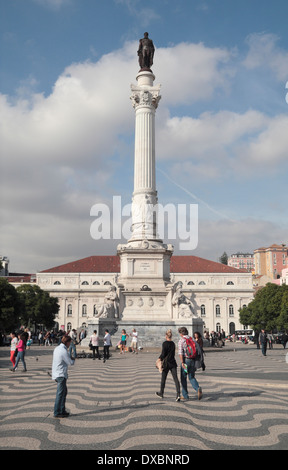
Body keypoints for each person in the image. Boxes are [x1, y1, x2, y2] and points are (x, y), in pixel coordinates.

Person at [51, 335, 75, 418]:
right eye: (70, 342)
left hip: (57, 373)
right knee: (60, 394)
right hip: (61, 374)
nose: (70, 344)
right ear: (67, 342)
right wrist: (73, 358)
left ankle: (62, 410)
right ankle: (57, 412)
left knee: (64, 392)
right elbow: (70, 363)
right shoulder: (63, 351)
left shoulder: (57, 348)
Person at [155, 329, 181, 402]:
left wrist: (159, 359)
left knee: (163, 379)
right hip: (173, 363)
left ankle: (161, 393)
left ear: (166, 336)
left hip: (166, 364)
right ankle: (178, 394)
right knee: (176, 379)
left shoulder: (164, 343)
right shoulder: (173, 343)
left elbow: (163, 354)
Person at [178, 327, 203, 401]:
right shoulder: (192, 339)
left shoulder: (182, 341)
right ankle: (197, 388)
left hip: (186, 361)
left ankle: (185, 395)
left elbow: (180, 353)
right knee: (191, 376)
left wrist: (182, 362)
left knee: (183, 377)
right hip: (193, 361)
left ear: (181, 333)